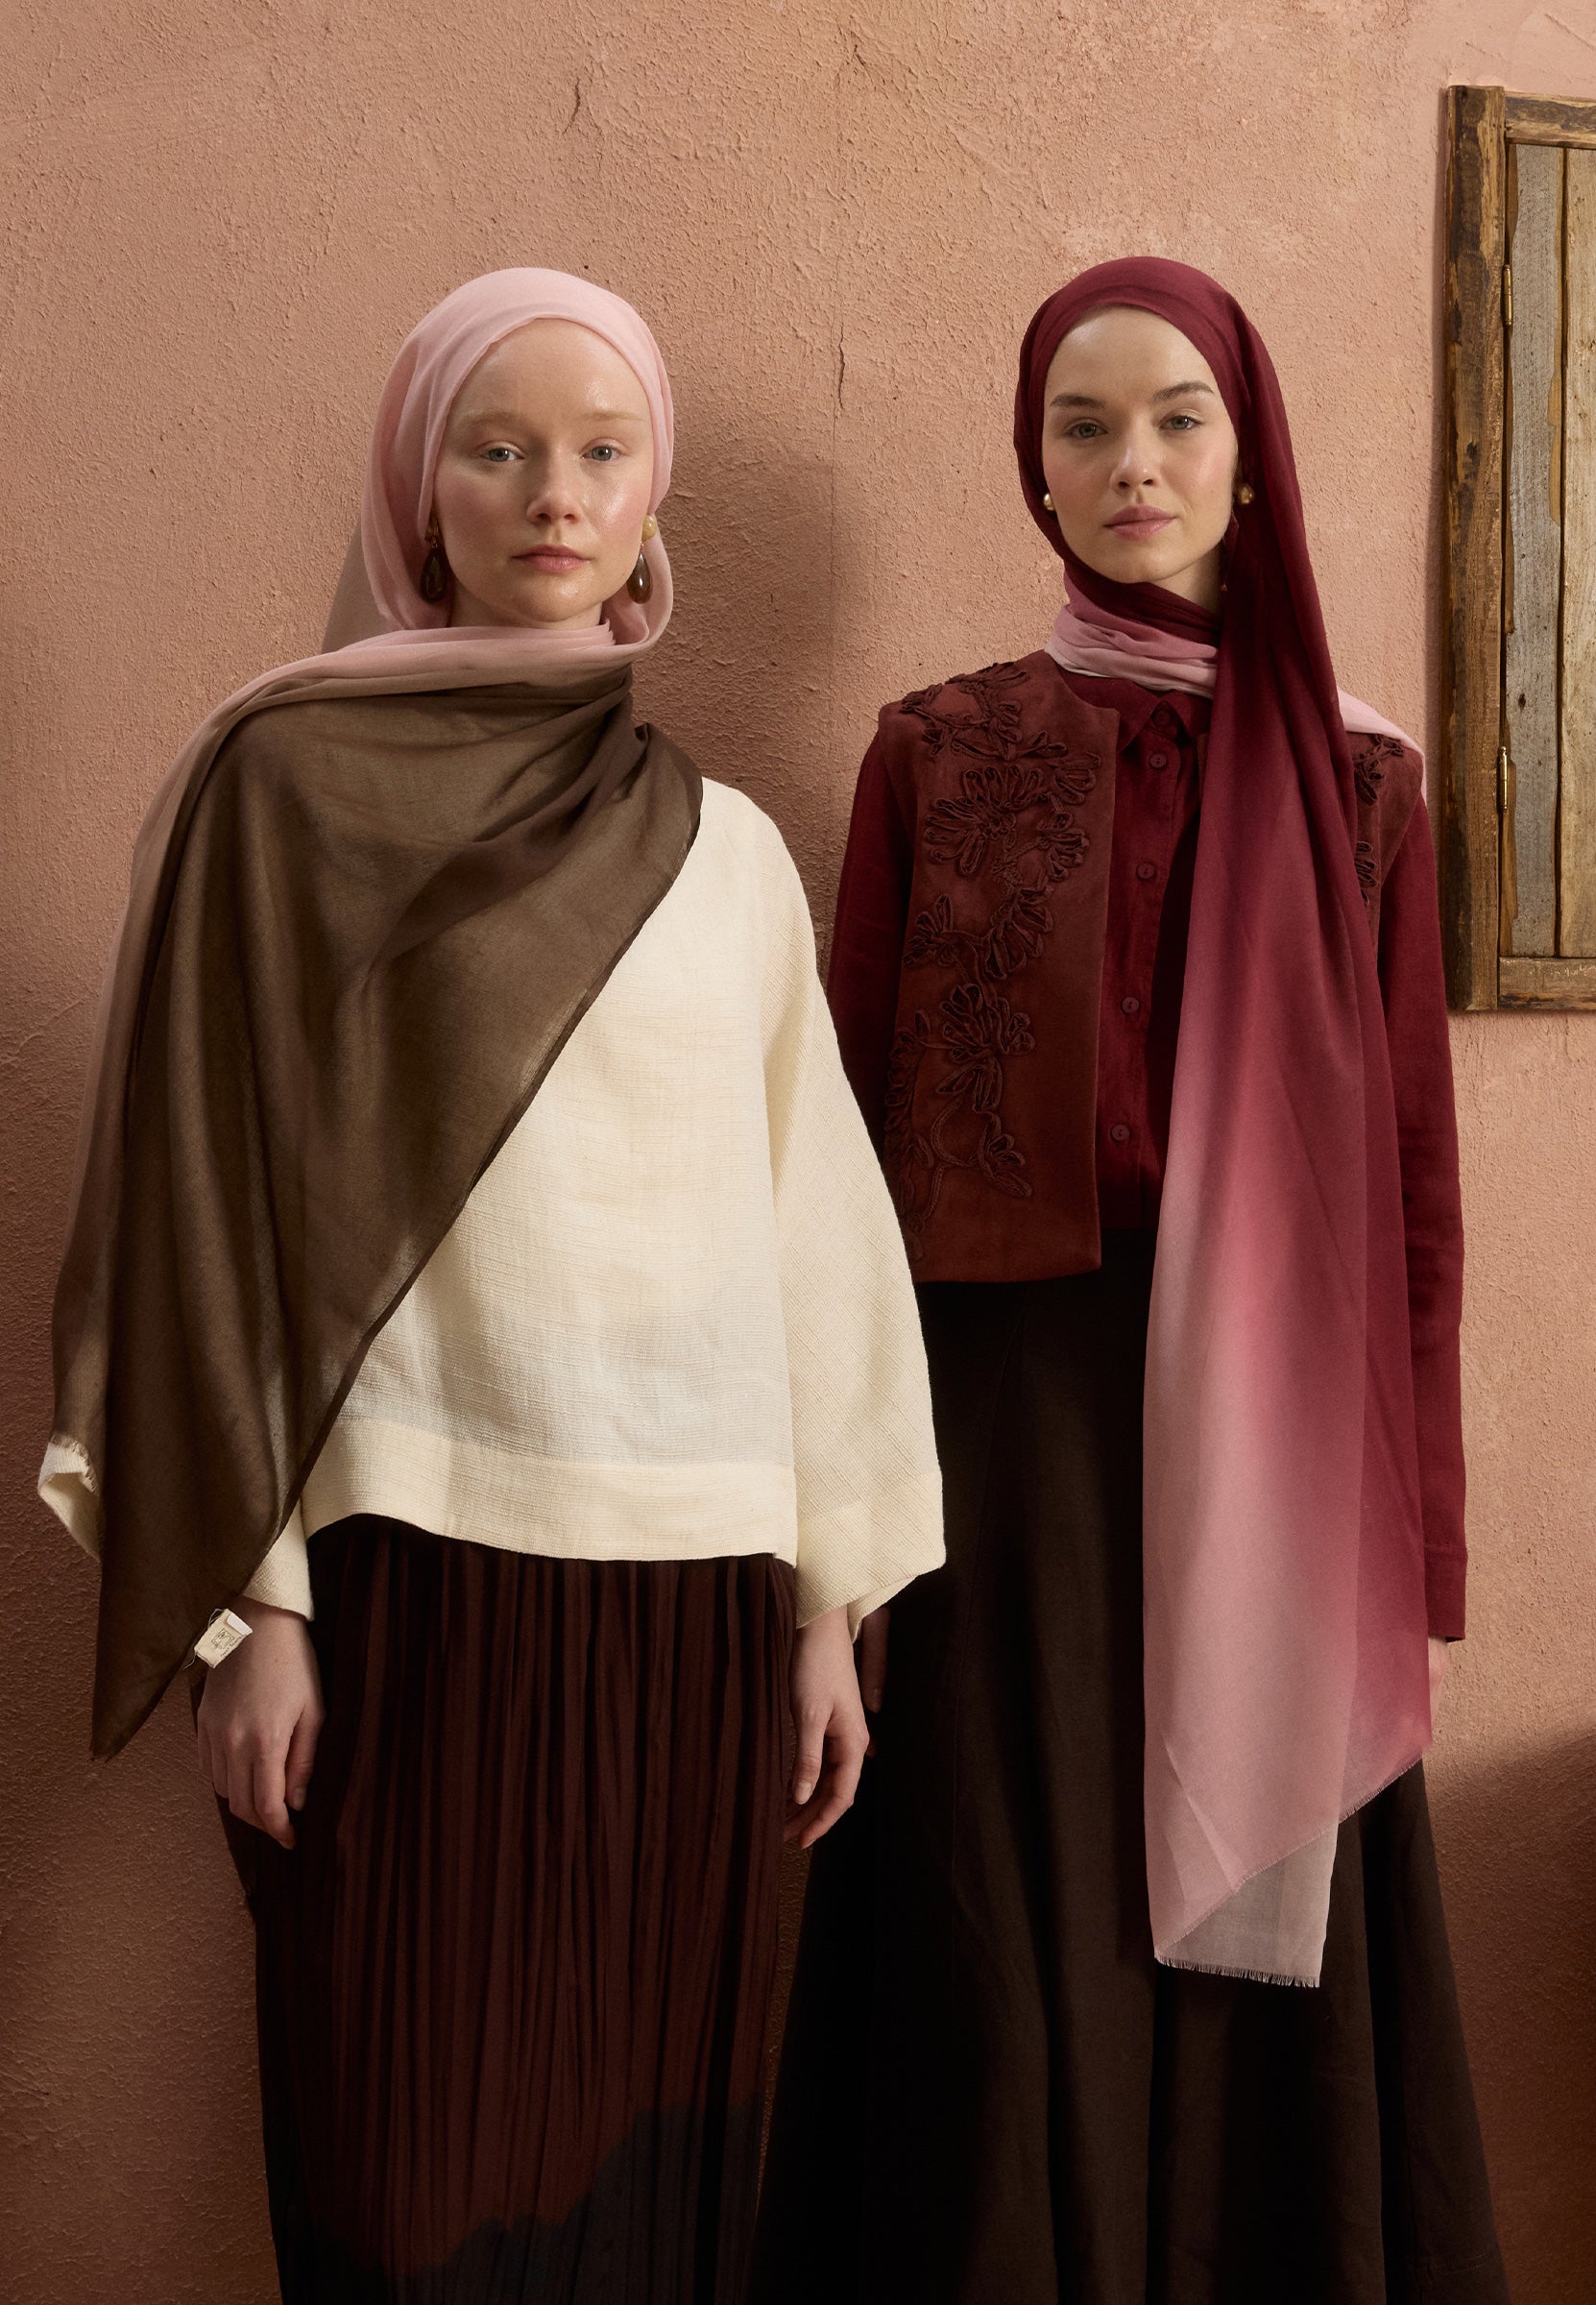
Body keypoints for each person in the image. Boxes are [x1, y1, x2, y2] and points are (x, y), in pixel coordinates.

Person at [38, 268, 942, 2303]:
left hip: (697, 1609)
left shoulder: (723, 849)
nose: (554, 495)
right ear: (415, 487)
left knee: (650, 2204)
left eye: (603, 452)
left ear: (651, 499)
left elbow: (814, 1235)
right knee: (405, 2196)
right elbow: (207, 1208)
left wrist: (828, 1605)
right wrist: (255, 1607)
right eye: (500, 447)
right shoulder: (280, 794)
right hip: (407, 1600)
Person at [754, 258, 1509, 2305]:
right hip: (1001, 1435)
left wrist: (1417, 1550)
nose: (1132, 462)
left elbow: (1412, 1195)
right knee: (1003, 1933)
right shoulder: (936, 754)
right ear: (1035, 471)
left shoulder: (1360, 782)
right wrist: (837, 1528)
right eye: (1080, 427)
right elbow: (835, 1179)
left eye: (1178, 416)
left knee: (1266, 1944)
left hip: (1281, 1429)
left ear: (1251, 455)